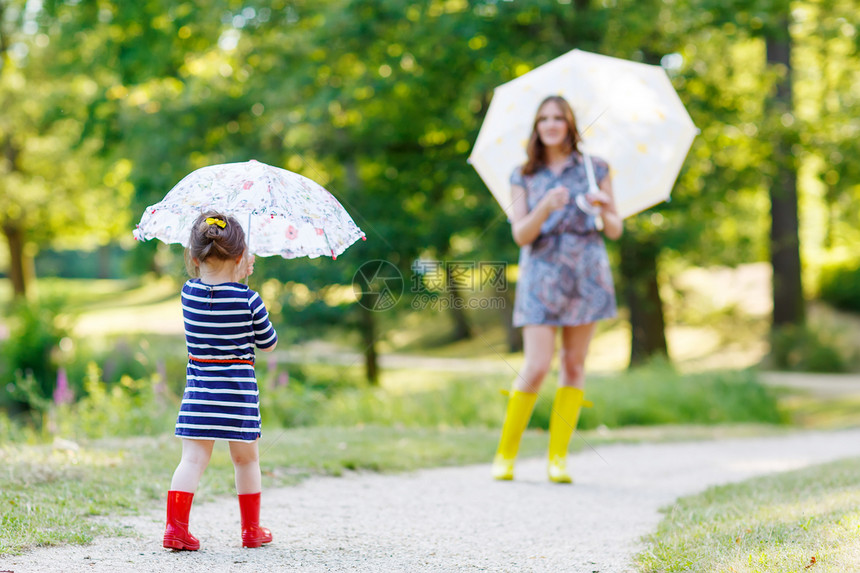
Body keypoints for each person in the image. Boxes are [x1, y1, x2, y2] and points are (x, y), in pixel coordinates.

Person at [491, 95, 622, 483]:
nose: (550, 125)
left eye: (558, 118)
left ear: (569, 125)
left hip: (587, 275)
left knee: (574, 365)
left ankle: (558, 459)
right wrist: (544, 206)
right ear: (536, 127)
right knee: (534, 366)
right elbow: (520, 234)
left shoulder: (595, 168)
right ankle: (506, 454)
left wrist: (604, 209)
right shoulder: (523, 174)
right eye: (543, 119)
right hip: (541, 277)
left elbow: (615, 229)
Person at [163, 211, 278, 550]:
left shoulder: (188, 294)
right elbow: (269, 343)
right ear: (242, 257)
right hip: (238, 399)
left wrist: (236, 272)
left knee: (191, 461)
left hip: (199, 397)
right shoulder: (249, 299)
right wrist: (246, 287)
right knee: (246, 460)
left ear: (195, 257)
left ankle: (175, 528)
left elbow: (212, 297)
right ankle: (251, 530)